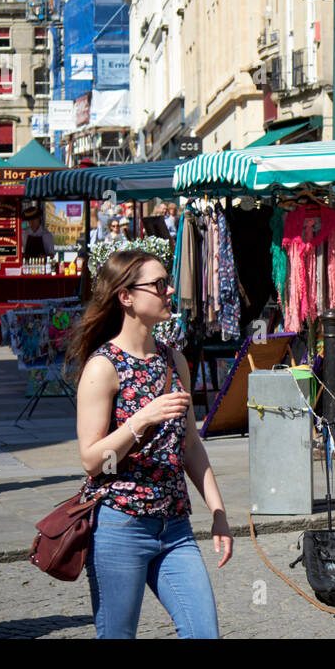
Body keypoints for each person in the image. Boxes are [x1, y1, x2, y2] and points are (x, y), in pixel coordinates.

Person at [70, 249, 231, 638]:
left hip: (174, 526)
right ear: (126, 297)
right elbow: (93, 461)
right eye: (159, 285)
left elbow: (191, 445)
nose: (170, 290)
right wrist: (143, 418)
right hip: (119, 523)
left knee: (203, 632)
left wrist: (218, 511)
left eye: (168, 282)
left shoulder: (173, 361)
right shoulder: (103, 367)